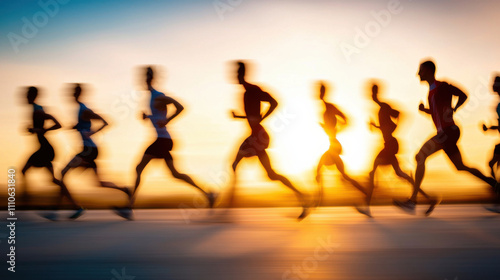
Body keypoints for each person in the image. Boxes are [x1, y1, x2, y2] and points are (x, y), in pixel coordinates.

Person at [394, 60, 498, 214]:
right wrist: (426, 111)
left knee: (420, 156)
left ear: (429, 71)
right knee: (461, 166)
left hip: (448, 132)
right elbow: (438, 112)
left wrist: (454, 109)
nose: (418, 74)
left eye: (420, 70)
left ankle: (413, 201)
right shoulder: (431, 92)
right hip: (446, 133)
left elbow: (463, 95)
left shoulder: (442, 86)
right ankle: (494, 184)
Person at [126, 67, 216, 219]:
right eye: (143, 77)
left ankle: (128, 207)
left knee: (139, 167)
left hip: (162, 140)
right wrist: (148, 117)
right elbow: (159, 115)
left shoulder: (158, 96)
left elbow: (181, 106)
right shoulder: (151, 97)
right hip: (164, 140)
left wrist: (168, 120)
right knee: (175, 174)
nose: (144, 80)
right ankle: (208, 194)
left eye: (146, 77)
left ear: (151, 79)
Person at [229, 61, 309, 220]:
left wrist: (262, 119)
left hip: (258, 135)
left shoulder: (252, 90)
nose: (234, 76)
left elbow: (274, 102)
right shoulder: (247, 92)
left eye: (236, 72)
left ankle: (228, 207)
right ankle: (303, 196)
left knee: (235, 163)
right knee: (271, 174)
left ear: (241, 74)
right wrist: (240, 117)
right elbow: (254, 114)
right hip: (257, 135)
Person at [365, 83, 438, 217]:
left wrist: (395, 128)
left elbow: (401, 115)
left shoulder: (384, 107)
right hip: (389, 144)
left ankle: (367, 207)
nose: (371, 95)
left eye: (373, 92)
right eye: (371, 92)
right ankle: (429, 198)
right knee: (399, 173)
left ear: (376, 93)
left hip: (390, 145)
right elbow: (386, 127)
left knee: (372, 171)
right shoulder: (381, 109)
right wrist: (375, 127)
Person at [60, 83, 131, 219]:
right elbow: (84, 125)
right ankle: (124, 190)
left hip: (89, 150)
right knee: (99, 183)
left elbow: (106, 122)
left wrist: (92, 132)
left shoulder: (84, 109)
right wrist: (77, 127)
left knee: (62, 173)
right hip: (89, 150)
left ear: (77, 94)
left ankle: (75, 208)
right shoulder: (80, 110)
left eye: (73, 93)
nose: (71, 95)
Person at [21, 86, 82, 220]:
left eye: (27, 95)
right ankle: (76, 206)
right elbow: (44, 127)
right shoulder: (36, 109)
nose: (25, 97)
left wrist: (40, 130)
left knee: (23, 171)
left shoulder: (38, 111)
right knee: (54, 179)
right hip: (45, 149)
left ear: (32, 96)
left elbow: (58, 124)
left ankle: (25, 202)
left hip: (45, 150)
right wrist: (36, 130)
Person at [315, 82, 368, 214]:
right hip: (332, 143)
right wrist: (326, 128)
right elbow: (331, 126)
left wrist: (337, 129)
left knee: (319, 168)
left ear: (324, 93)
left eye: (321, 91)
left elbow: (346, 119)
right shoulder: (324, 108)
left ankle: (318, 201)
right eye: (318, 91)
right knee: (344, 176)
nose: (319, 93)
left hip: (335, 144)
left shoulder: (330, 107)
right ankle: (365, 191)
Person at [481, 75, 500, 213]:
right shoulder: (498, 105)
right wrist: (489, 128)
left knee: (492, 164)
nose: (492, 85)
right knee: (491, 164)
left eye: (495, 83)